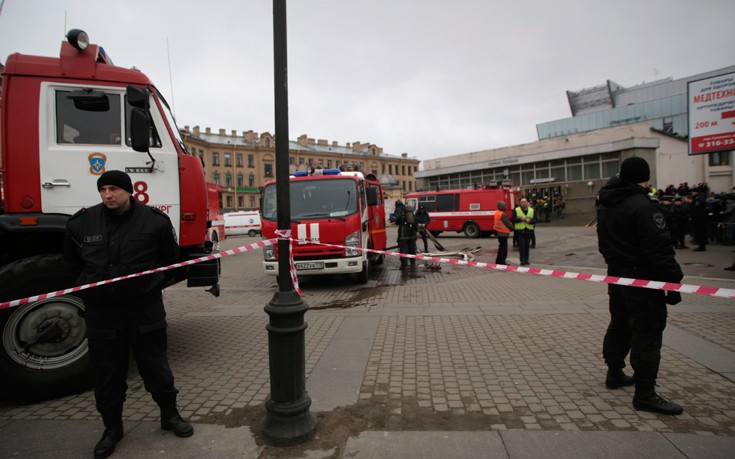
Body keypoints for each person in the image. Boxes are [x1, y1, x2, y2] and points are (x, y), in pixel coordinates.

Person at [65, 170, 193, 459]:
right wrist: (89, 290)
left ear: (128, 190)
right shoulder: (82, 223)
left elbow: (171, 265)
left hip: (143, 311)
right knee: (108, 373)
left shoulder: (153, 221)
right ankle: (112, 429)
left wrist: (146, 287)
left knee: (156, 367)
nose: (108, 195)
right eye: (103, 189)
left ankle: (170, 416)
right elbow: (71, 266)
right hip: (103, 314)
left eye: (114, 189)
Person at [597, 157, 684, 416]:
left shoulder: (606, 204)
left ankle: (615, 373)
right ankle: (645, 393)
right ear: (644, 178)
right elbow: (659, 248)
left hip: (618, 277)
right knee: (647, 331)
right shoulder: (644, 206)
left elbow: (603, 243)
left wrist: (616, 266)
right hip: (644, 280)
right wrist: (673, 280)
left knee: (620, 323)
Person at [511, 197, 537, 266]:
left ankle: (526, 260)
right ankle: (522, 260)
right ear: (520, 203)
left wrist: (530, 221)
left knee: (527, 246)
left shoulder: (532, 210)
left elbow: (536, 220)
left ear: (527, 203)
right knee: (521, 246)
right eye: (522, 202)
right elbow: (512, 219)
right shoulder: (516, 210)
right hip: (520, 231)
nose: (523, 203)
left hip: (528, 231)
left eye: (524, 202)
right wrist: (520, 219)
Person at [393, 200, 418, 270]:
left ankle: (405, 265)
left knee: (403, 250)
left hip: (403, 235)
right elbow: (416, 221)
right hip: (412, 235)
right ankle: (413, 264)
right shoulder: (409, 211)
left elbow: (397, 221)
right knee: (412, 249)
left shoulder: (398, 210)